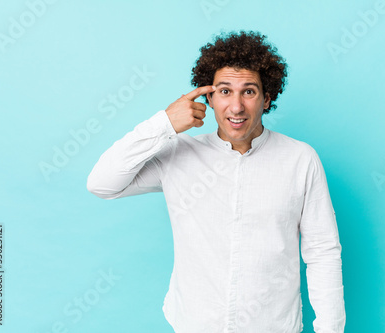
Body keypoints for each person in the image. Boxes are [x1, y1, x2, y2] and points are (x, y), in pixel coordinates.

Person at [87, 30, 345, 332]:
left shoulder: (300, 159)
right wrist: (164, 123)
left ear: (266, 99)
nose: (236, 107)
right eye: (224, 91)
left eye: (248, 91)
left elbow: (323, 251)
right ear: (208, 97)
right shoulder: (178, 155)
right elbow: (102, 183)